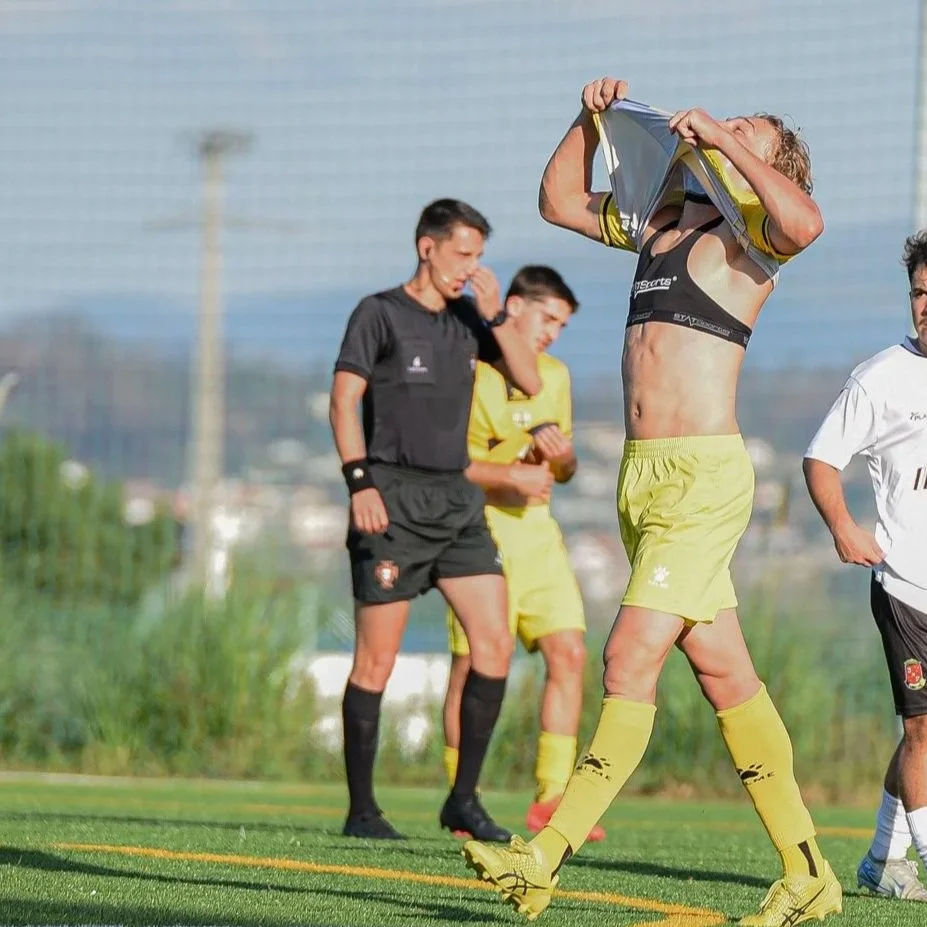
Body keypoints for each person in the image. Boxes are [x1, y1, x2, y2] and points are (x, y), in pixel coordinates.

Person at [461, 77, 842, 927]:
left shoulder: (754, 237)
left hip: (703, 480)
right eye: (728, 118)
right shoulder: (662, 219)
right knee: (725, 674)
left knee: (626, 658)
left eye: (753, 130)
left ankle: (541, 854)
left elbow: (806, 222)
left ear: (769, 163)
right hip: (642, 479)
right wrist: (585, 117)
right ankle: (809, 870)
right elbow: (559, 199)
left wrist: (722, 137)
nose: (726, 125)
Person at [329, 197, 542, 842]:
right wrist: (358, 481)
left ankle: (463, 800)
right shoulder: (378, 313)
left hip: (456, 504)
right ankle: (363, 811)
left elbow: (528, 380)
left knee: (495, 644)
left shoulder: (468, 320)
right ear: (428, 247)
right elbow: (343, 400)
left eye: (479, 256)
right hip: (389, 498)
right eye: (463, 254)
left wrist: (497, 309)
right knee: (376, 662)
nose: (471, 268)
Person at [441, 265, 604, 842]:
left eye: (562, 324)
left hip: (539, 536)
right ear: (513, 306)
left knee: (571, 653)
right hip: (478, 533)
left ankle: (553, 798)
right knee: (477, 663)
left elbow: (566, 467)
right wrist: (508, 475)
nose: (553, 333)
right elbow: (449, 464)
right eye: (547, 318)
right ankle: (464, 798)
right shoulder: (470, 371)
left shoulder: (555, 377)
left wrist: (558, 460)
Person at [803, 230, 927, 904]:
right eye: (918, 292)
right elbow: (820, 459)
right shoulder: (880, 377)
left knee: (925, 730)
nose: (924, 304)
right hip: (906, 587)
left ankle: (882, 859)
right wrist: (843, 525)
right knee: (921, 727)